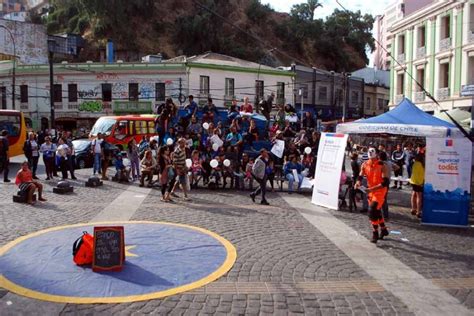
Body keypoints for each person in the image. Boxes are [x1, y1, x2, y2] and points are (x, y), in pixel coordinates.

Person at [355, 147, 390, 243]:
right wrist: (357, 182)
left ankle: (375, 232)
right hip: (371, 191)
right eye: (369, 153)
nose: (371, 155)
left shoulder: (382, 165)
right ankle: (383, 229)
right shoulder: (365, 164)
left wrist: (371, 189)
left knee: (372, 210)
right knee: (377, 212)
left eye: (372, 153)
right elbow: (360, 176)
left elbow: (385, 183)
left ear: (377, 155)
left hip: (380, 191)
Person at [410, 154, 425, 218]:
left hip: (413, 181)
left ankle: (413, 209)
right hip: (419, 182)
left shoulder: (414, 164)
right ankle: (418, 212)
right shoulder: (423, 165)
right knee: (419, 197)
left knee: (413, 194)